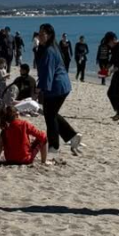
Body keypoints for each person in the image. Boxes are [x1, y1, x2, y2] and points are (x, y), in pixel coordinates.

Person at [35, 23, 83, 154]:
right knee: (52, 114)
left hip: (57, 87)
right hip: (60, 86)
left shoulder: (50, 50)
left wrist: (40, 89)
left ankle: (54, 146)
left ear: (49, 35)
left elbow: (48, 72)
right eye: (39, 32)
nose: (40, 35)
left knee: (50, 116)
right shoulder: (47, 47)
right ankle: (72, 136)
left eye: (43, 33)